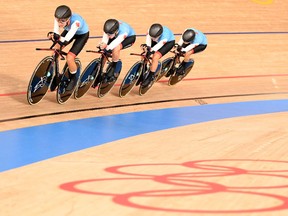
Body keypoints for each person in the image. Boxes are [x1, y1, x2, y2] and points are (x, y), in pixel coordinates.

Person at [47, 5, 89, 91]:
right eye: (58, 20)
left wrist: (60, 39)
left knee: (69, 58)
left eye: (62, 21)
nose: (59, 23)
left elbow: (67, 38)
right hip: (69, 30)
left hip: (81, 35)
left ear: (68, 19)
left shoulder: (76, 22)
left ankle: (73, 78)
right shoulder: (59, 18)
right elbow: (56, 31)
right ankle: (55, 74)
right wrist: (54, 36)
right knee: (54, 50)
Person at [141, 23, 175, 88]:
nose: (153, 38)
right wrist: (147, 48)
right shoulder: (150, 31)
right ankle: (143, 67)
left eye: (154, 37)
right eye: (152, 37)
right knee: (144, 52)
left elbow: (158, 46)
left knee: (155, 56)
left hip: (168, 43)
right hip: (157, 40)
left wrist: (151, 51)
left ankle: (151, 76)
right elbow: (148, 41)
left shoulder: (165, 36)